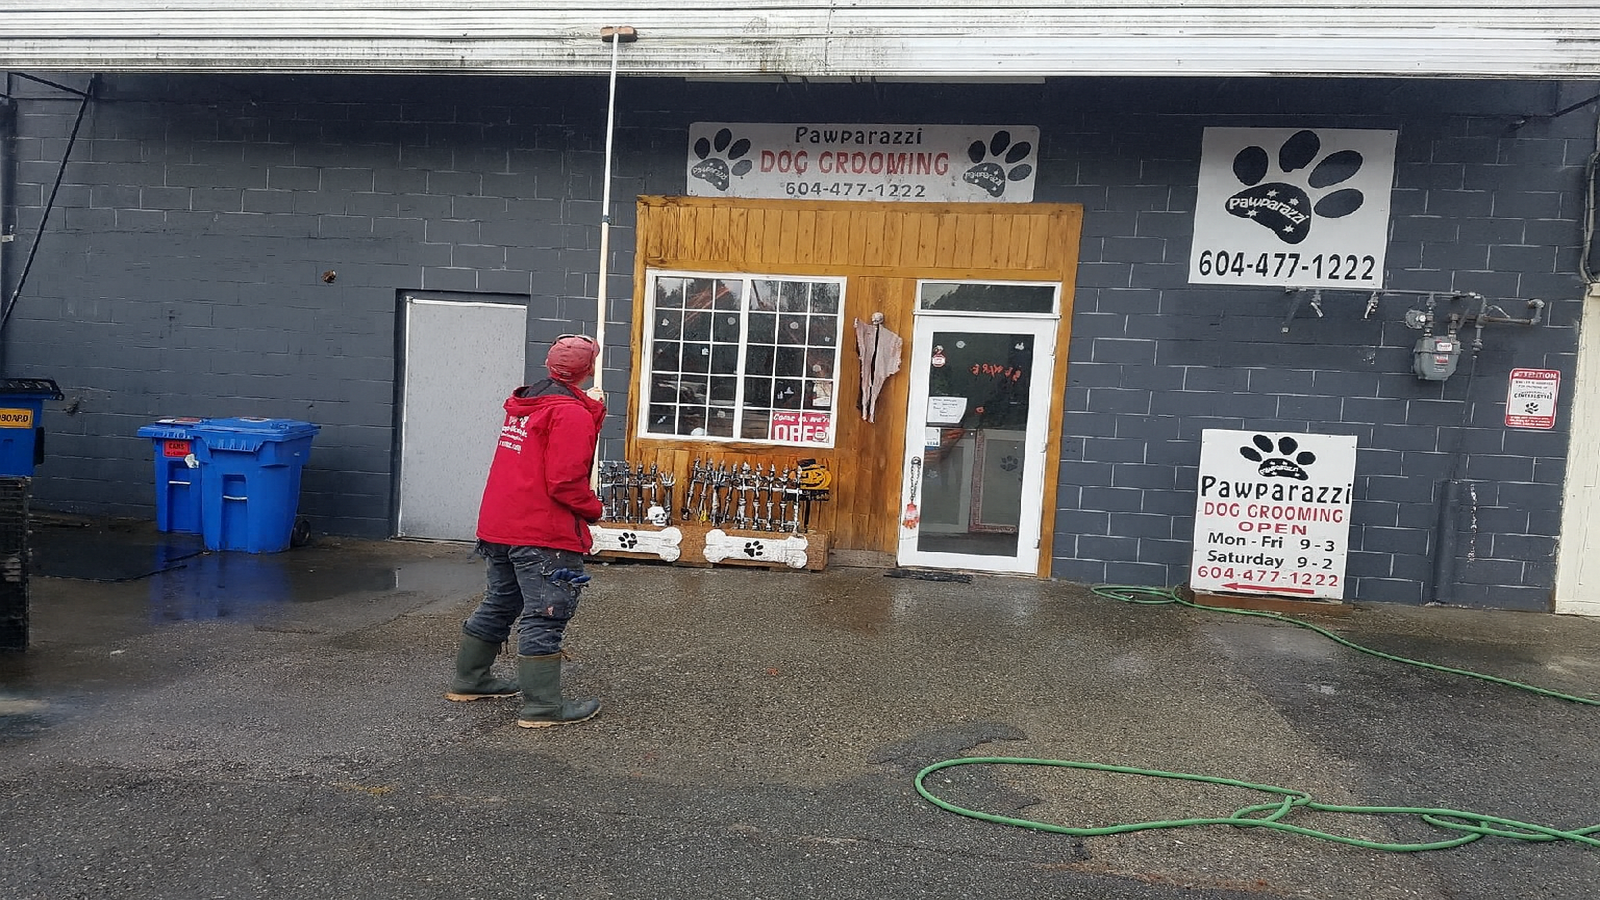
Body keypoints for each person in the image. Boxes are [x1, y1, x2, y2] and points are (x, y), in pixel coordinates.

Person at [445, 334, 607, 728]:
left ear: (550, 365)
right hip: (540, 531)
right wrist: (594, 509)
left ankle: (471, 679)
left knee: (501, 601)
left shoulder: (526, 405)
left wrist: (592, 409)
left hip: (500, 525)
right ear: (588, 370)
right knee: (547, 612)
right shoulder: (570, 413)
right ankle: (543, 707)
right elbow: (565, 481)